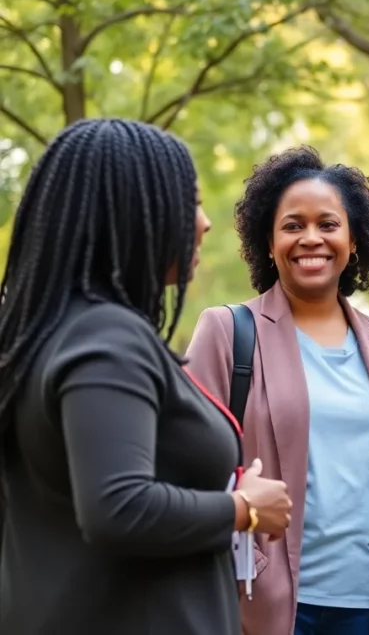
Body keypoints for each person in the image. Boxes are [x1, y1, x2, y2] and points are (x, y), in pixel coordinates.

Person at [0, 119, 292, 635]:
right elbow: (119, 507)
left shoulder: (49, 332)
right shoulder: (106, 338)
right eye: (189, 202)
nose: (204, 223)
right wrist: (243, 508)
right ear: (132, 213)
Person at [186, 146, 369, 635]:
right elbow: (187, 459)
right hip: (260, 602)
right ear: (269, 243)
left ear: (353, 240)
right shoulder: (227, 331)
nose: (311, 238)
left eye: (328, 224)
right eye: (293, 225)